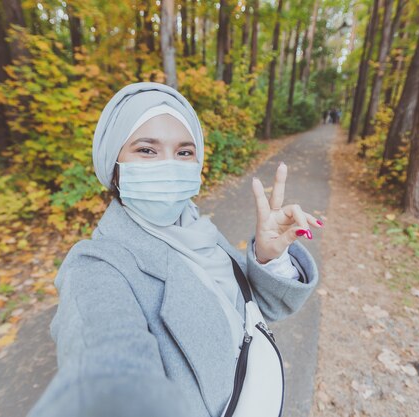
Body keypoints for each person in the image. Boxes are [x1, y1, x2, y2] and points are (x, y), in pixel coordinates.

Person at [27, 82, 321, 417]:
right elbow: (106, 368)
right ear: (114, 166)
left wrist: (269, 257)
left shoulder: (198, 229)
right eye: (147, 150)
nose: (170, 165)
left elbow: (260, 307)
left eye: (184, 152)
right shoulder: (96, 267)